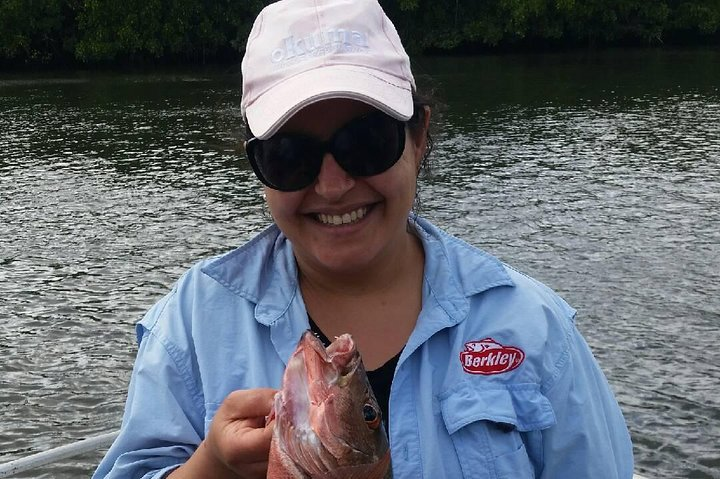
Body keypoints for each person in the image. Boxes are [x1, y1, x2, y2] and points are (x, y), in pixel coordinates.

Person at [93, 0, 634, 477]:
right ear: (257, 168)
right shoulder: (193, 321)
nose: (333, 186)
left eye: (367, 142)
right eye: (290, 157)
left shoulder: (533, 327)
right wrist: (211, 468)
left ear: (419, 138)